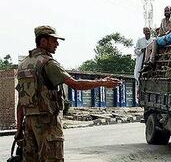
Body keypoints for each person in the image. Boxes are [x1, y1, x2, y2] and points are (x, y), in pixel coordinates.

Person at [15, 25, 121, 162]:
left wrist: (18, 130)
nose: (57, 44)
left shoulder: (23, 65)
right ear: (43, 42)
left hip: (29, 125)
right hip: (48, 123)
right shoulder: (48, 64)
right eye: (54, 40)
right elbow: (75, 84)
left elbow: (20, 102)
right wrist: (102, 82)